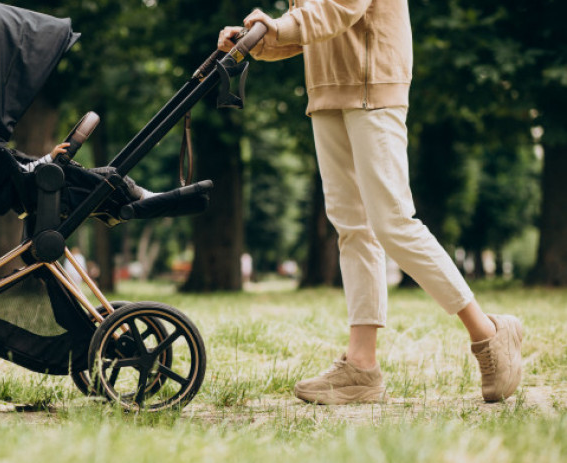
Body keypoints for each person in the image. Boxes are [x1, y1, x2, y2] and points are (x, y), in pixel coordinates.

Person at [219, 1, 523, 405]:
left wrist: (276, 24)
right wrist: (256, 41)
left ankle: (488, 334)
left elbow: (340, 8)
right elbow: (311, 32)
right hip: (326, 93)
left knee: (394, 222)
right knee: (353, 228)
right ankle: (361, 367)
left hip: (373, 85)